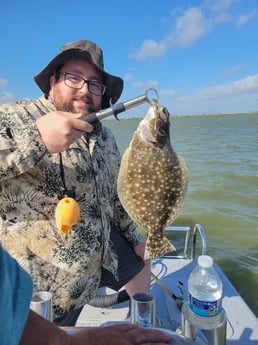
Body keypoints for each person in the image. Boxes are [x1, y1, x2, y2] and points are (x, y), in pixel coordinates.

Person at [0, 39, 151, 326]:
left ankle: (143, 322)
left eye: (95, 83)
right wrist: (35, 139)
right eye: (74, 77)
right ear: (53, 81)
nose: (85, 89)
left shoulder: (104, 137)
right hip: (41, 297)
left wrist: (136, 238)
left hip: (98, 264)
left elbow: (115, 199)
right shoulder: (17, 116)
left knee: (143, 257)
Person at [0, 243, 172, 345]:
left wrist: (134, 237)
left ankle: (143, 321)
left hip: (101, 242)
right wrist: (67, 342)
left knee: (140, 262)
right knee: (57, 314)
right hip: (52, 257)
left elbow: (111, 194)